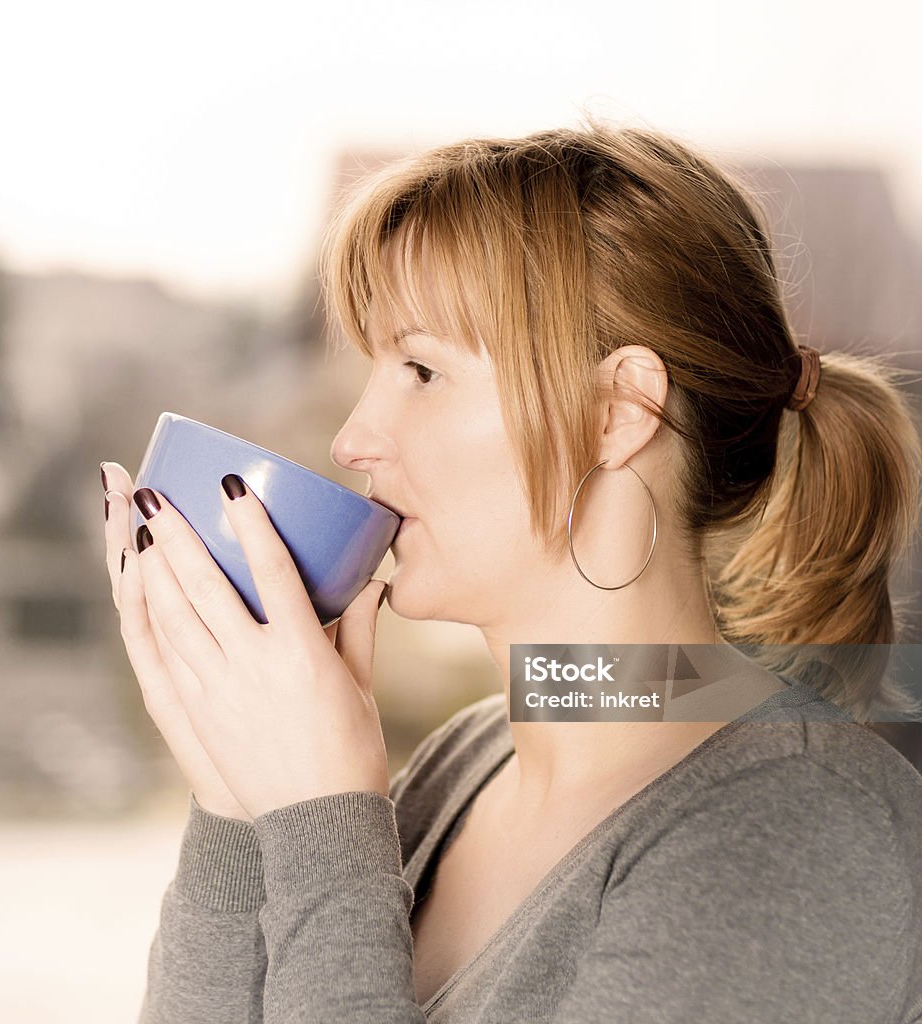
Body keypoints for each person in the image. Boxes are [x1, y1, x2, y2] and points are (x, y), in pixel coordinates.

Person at [101, 123, 922, 1023]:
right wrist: (237, 806)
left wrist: (325, 820)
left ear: (619, 413)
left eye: (420, 370)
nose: (353, 440)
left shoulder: (797, 833)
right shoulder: (470, 759)